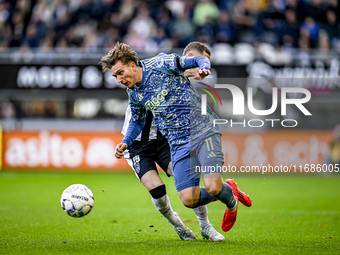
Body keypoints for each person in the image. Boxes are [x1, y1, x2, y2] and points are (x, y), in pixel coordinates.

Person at [99, 41, 252, 235]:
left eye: (120, 73)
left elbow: (197, 59)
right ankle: (228, 191)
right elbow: (137, 121)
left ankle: (224, 203)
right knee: (188, 199)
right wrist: (125, 142)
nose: (119, 79)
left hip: (203, 130)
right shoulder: (134, 92)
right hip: (178, 142)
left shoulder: (161, 63)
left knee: (213, 186)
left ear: (132, 64)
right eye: (115, 76)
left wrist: (204, 68)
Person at [121, 42, 225, 242]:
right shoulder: (156, 72)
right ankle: (177, 224)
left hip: (162, 140)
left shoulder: (177, 77)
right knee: (158, 191)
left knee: (188, 183)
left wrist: (199, 70)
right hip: (137, 146)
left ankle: (206, 226)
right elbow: (186, 68)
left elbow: (189, 72)